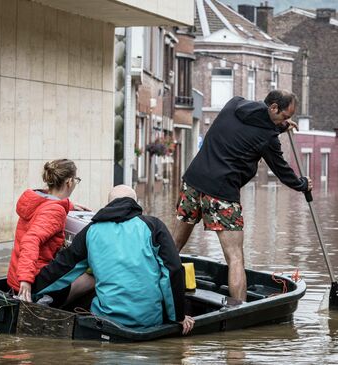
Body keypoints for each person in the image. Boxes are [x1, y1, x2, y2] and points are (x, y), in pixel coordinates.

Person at [174, 90, 313, 302]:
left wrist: (281, 126)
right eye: (285, 116)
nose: (287, 120)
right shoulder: (268, 139)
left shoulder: (234, 105)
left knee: (174, 245)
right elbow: (282, 171)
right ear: (274, 108)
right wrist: (302, 184)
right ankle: (239, 310)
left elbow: (250, 124)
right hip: (221, 194)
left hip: (193, 182)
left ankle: (152, 287)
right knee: (235, 257)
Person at [31, 185, 195, 335]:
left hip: (107, 322)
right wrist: (178, 316)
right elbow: (173, 270)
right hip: (149, 322)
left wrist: (29, 288)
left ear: (108, 204)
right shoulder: (154, 226)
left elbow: (61, 269)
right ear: (135, 203)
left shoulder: (90, 231)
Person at [6, 159, 91, 302]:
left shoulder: (35, 199)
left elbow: (46, 208)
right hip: (34, 279)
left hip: (14, 277)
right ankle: (53, 302)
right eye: (76, 180)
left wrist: (69, 205)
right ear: (69, 182)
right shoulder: (55, 210)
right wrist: (26, 280)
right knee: (91, 276)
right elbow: (31, 240)